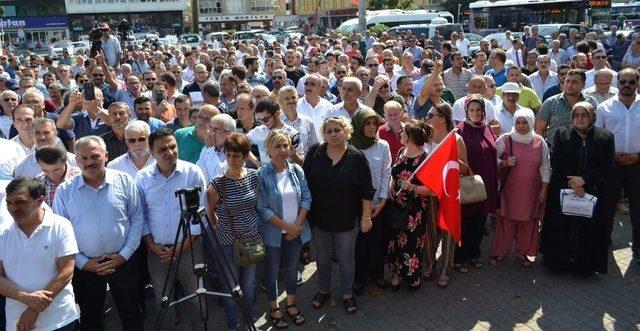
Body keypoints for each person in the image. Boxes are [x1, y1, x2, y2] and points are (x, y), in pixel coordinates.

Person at [53, 136, 144, 331]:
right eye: (83, 158)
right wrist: (84, 263)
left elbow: (137, 219)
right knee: (90, 317)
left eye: (94, 156)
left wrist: (123, 256)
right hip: (85, 268)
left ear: (106, 156)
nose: (89, 162)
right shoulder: (65, 191)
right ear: (76, 161)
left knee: (132, 314)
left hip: (123, 263)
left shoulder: (125, 181)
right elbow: (60, 233)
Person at [135, 128, 207, 330]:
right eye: (163, 149)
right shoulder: (142, 178)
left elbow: (201, 213)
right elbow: (141, 215)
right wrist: (151, 245)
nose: (170, 152)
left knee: (197, 297)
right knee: (163, 300)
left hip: (189, 249)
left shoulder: (192, 172)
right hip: (157, 252)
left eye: (173, 146)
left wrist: (183, 246)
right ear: (152, 153)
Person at [302, 117, 374, 315]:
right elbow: (304, 183)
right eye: (329, 131)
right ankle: (323, 291)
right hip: (320, 219)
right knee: (323, 258)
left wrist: (366, 217)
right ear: (324, 133)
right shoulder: (315, 152)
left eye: (337, 130)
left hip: (347, 220)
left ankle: (347, 294)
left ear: (346, 131)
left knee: (346, 258)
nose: (333, 134)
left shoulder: (357, 157)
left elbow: (367, 191)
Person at [540, 102, 615, 275]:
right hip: (564, 186)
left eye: (584, 115)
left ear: (592, 117)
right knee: (561, 226)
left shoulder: (605, 137)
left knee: (588, 228)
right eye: (576, 115)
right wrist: (572, 181)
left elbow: (607, 164)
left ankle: (584, 266)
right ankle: (558, 263)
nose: (580, 119)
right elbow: (555, 159)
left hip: (592, 189)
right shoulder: (562, 133)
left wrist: (584, 181)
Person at [0, 177, 80, 331]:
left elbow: (66, 272)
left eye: (20, 202)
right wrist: (26, 298)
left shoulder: (61, 226)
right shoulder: (3, 234)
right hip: (18, 322)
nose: (13, 208)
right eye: (9, 203)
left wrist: (33, 310)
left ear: (39, 200)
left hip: (59, 319)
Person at [257, 130, 312, 329]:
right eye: (277, 146)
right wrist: (287, 227)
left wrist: (296, 226)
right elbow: (262, 208)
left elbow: (306, 197)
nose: (282, 150)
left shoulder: (297, 170)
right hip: (274, 234)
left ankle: (290, 304)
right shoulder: (262, 174)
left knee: (291, 269)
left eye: (285, 145)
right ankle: (273, 307)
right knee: (271, 272)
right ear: (268, 150)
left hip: (295, 232)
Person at [206, 133, 260, 331]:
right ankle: (233, 326)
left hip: (252, 239)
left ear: (245, 156)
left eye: (236, 155)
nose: (231, 160)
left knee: (248, 285)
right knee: (231, 288)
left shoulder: (255, 177)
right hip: (228, 244)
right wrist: (222, 230)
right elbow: (210, 213)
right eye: (228, 155)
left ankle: (248, 322)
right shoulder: (217, 183)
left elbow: (257, 205)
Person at [489, 108, 550, 267]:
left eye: (525, 122)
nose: (521, 126)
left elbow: (545, 166)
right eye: (518, 122)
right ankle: (500, 252)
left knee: (528, 222)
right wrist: (503, 162)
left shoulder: (539, 141)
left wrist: (544, 189)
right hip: (510, 190)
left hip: (531, 191)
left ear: (531, 122)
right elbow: (490, 159)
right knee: (506, 221)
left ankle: (522, 253)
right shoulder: (505, 139)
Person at [595, 68, 640, 266]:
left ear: (637, 83)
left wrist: (638, 156)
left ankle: (638, 248)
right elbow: (598, 137)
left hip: (637, 165)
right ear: (617, 83)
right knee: (606, 206)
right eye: (623, 81)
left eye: (631, 81)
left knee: (638, 209)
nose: (627, 85)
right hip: (611, 165)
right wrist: (611, 155)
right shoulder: (604, 107)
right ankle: (602, 244)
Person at [387, 119, 435, 291]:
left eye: (403, 133)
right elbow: (395, 173)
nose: (400, 134)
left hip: (414, 211)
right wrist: (392, 184)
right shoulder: (401, 151)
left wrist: (412, 187)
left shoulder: (424, 159)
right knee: (395, 242)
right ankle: (397, 273)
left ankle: (413, 276)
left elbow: (432, 190)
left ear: (411, 137)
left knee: (412, 243)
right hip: (396, 206)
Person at [350, 108, 391, 295]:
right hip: (356, 205)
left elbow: (386, 173)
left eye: (375, 123)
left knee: (377, 241)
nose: (372, 127)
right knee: (359, 244)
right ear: (359, 125)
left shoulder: (383, 145)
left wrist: (382, 200)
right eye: (367, 123)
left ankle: (377, 274)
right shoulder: (350, 145)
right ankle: (359, 277)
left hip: (378, 204)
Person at [455, 95, 498, 272]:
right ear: (466, 111)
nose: (475, 113)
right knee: (465, 221)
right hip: (467, 184)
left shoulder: (487, 128)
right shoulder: (459, 131)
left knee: (480, 221)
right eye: (471, 110)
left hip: (485, 183)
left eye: (478, 110)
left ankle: (474, 254)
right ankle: (459, 257)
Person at [536, 69, 598, 145]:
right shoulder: (550, 103)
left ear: (583, 85)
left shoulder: (591, 102)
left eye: (574, 82)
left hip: (584, 150)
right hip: (555, 151)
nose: (569, 85)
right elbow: (540, 130)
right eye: (567, 81)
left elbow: (597, 127)